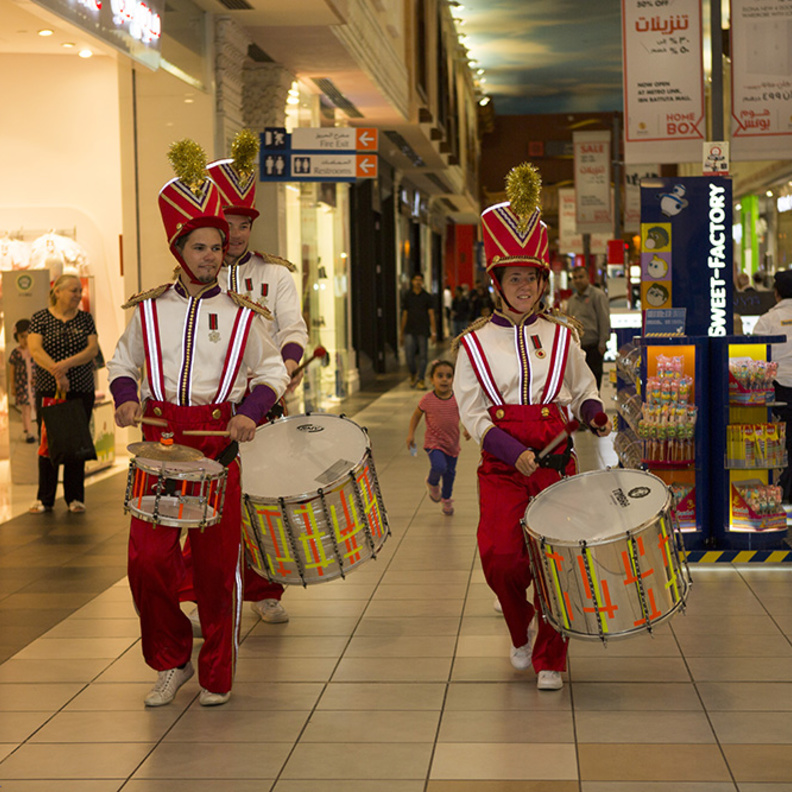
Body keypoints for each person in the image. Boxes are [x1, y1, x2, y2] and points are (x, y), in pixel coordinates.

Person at [107, 139, 289, 708]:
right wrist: (126, 396)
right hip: (160, 448)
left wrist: (249, 412)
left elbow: (270, 373)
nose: (212, 255)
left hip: (218, 448)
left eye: (217, 247)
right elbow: (121, 362)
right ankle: (170, 661)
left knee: (215, 569)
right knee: (146, 561)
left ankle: (217, 672)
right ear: (179, 247)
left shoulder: (243, 316)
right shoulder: (148, 309)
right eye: (201, 246)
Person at [455, 162, 611, 691]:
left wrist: (593, 412)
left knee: (554, 561)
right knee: (500, 559)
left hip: (555, 461)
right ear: (496, 282)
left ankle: (551, 658)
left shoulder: (564, 335)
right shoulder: (472, 344)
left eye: (532, 277)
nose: (524, 286)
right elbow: (472, 412)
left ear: (545, 282)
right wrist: (507, 449)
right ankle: (519, 629)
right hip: (501, 465)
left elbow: (584, 387)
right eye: (514, 277)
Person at [177, 129, 309, 627]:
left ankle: (263, 587)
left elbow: (293, 331)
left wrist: (288, 368)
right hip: (208, 414)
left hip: (262, 406)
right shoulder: (192, 276)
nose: (234, 235)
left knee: (264, 499)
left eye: (243, 225)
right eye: (228, 223)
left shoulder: (275, 276)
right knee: (202, 503)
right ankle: (193, 593)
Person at [28, 274, 99, 513]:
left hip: (81, 389)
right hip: (49, 389)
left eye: (79, 290)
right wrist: (58, 373)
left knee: (76, 442)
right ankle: (45, 498)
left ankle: (75, 498)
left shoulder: (85, 319)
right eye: (73, 290)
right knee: (48, 441)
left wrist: (65, 366)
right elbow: (35, 350)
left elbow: (92, 350)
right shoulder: (40, 318)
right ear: (57, 292)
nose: (78, 295)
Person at [406, 359, 469, 516]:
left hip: (452, 443)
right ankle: (432, 482)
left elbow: (464, 415)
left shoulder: (457, 398)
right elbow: (416, 416)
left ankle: (446, 499)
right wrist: (411, 434)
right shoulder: (427, 400)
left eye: (448, 376)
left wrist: (467, 428)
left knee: (450, 474)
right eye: (439, 376)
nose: (444, 379)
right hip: (433, 443)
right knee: (440, 467)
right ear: (431, 379)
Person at [753, 269, 792, 502]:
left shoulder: (767, 321)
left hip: (779, 392)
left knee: (779, 446)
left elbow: (756, 361)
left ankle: (781, 495)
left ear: (776, 293)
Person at [566, 265, 611, 390]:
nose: (578, 280)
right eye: (575, 278)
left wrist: (602, 343)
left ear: (588, 278)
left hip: (594, 348)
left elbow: (604, 320)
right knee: (579, 386)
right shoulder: (571, 300)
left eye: (581, 277)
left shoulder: (598, 295)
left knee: (594, 385)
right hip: (578, 349)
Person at [400, 273, 436, 389]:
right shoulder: (408, 296)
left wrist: (434, 332)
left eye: (420, 280)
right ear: (412, 281)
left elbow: (431, 315)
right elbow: (404, 314)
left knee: (423, 356)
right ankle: (413, 373)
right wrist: (401, 332)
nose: (418, 282)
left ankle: (421, 379)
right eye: (416, 279)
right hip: (410, 329)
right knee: (409, 356)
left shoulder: (427, 297)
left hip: (423, 329)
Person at [8, 318, 36, 443]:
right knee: (25, 410)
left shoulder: (35, 351)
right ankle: (28, 432)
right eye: (22, 337)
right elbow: (12, 370)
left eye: (28, 336)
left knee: (37, 408)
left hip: (35, 386)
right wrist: (13, 386)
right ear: (17, 337)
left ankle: (41, 431)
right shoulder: (15, 353)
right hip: (22, 386)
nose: (25, 340)